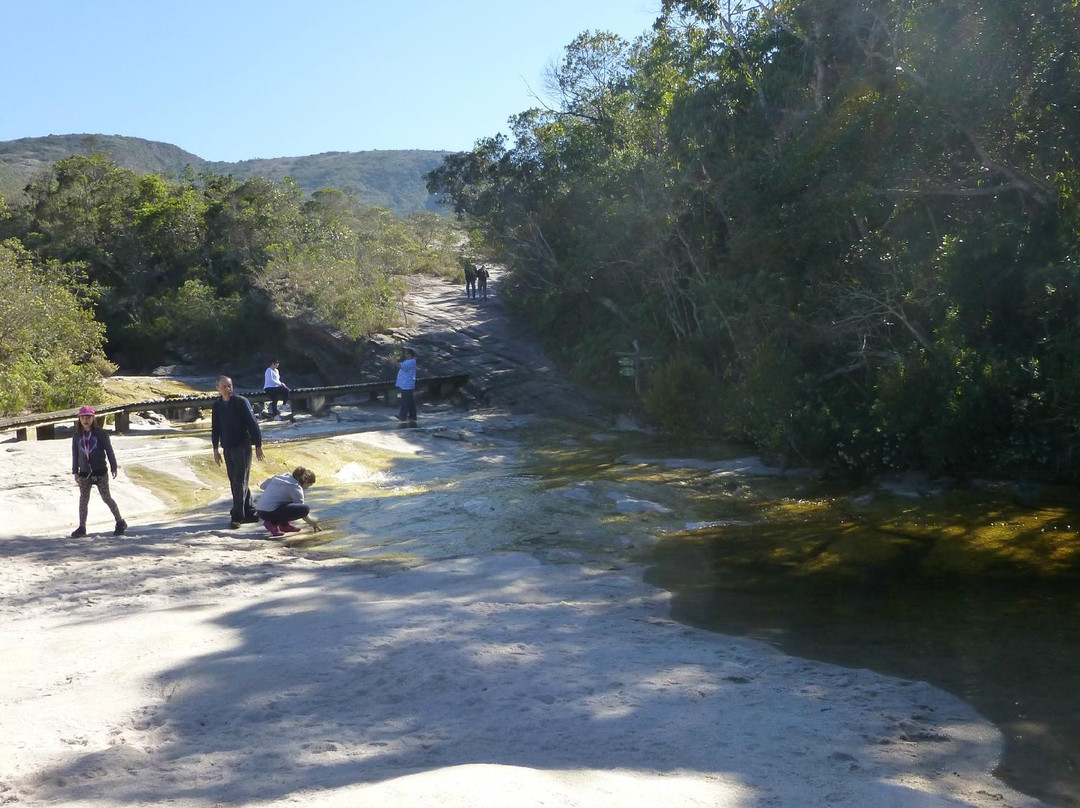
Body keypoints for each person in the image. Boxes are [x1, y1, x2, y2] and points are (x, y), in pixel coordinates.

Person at [211, 375, 265, 529]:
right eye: (224, 387)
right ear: (218, 388)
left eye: (230, 386)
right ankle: (250, 512)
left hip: (242, 446)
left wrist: (258, 445)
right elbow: (215, 428)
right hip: (227, 447)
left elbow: (253, 424)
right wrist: (215, 449)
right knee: (235, 480)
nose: (228, 389)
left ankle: (237, 516)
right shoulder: (217, 405)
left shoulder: (241, 402)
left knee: (239, 481)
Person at [70, 405, 127, 537]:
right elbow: (75, 454)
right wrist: (75, 471)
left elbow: (109, 451)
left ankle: (120, 522)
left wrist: (113, 466)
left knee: (106, 498)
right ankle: (82, 527)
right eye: (83, 417)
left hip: (100, 472)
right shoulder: (77, 436)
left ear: (93, 418)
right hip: (84, 473)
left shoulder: (101, 434)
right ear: (79, 419)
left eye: (89, 417)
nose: (86, 420)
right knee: (83, 500)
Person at [255, 466, 321, 536]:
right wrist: (312, 522)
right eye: (309, 485)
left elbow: (262, 486)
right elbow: (302, 512)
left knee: (287, 500)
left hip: (259, 511)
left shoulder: (279, 477)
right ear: (306, 480)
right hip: (269, 513)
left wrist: (274, 480)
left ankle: (284, 525)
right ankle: (272, 523)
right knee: (304, 508)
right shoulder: (296, 487)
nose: (307, 488)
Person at [396, 347, 417, 423]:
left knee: (405, 401)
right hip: (405, 384)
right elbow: (401, 364)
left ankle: (402, 416)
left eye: (406, 353)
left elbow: (400, 366)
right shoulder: (408, 361)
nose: (405, 355)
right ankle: (413, 416)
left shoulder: (411, 362)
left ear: (410, 354)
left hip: (407, 384)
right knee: (410, 401)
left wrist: (393, 361)